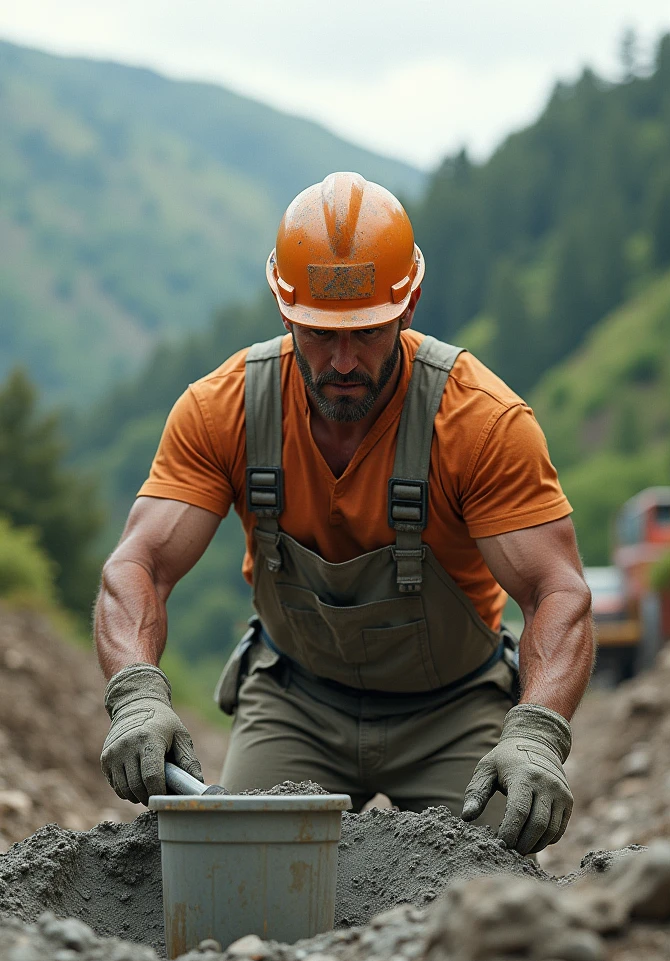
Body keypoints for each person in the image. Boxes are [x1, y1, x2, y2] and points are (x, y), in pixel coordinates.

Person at [95, 172, 593, 856]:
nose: (343, 361)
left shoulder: (480, 422)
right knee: (236, 875)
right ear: (283, 310)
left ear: (409, 306)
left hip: (455, 707)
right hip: (295, 702)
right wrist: (136, 693)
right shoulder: (225, 409)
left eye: (367, 333)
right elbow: (139, 563)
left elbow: (558, 590)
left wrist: (537, 733)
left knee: (493, 893)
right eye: (320, 334)